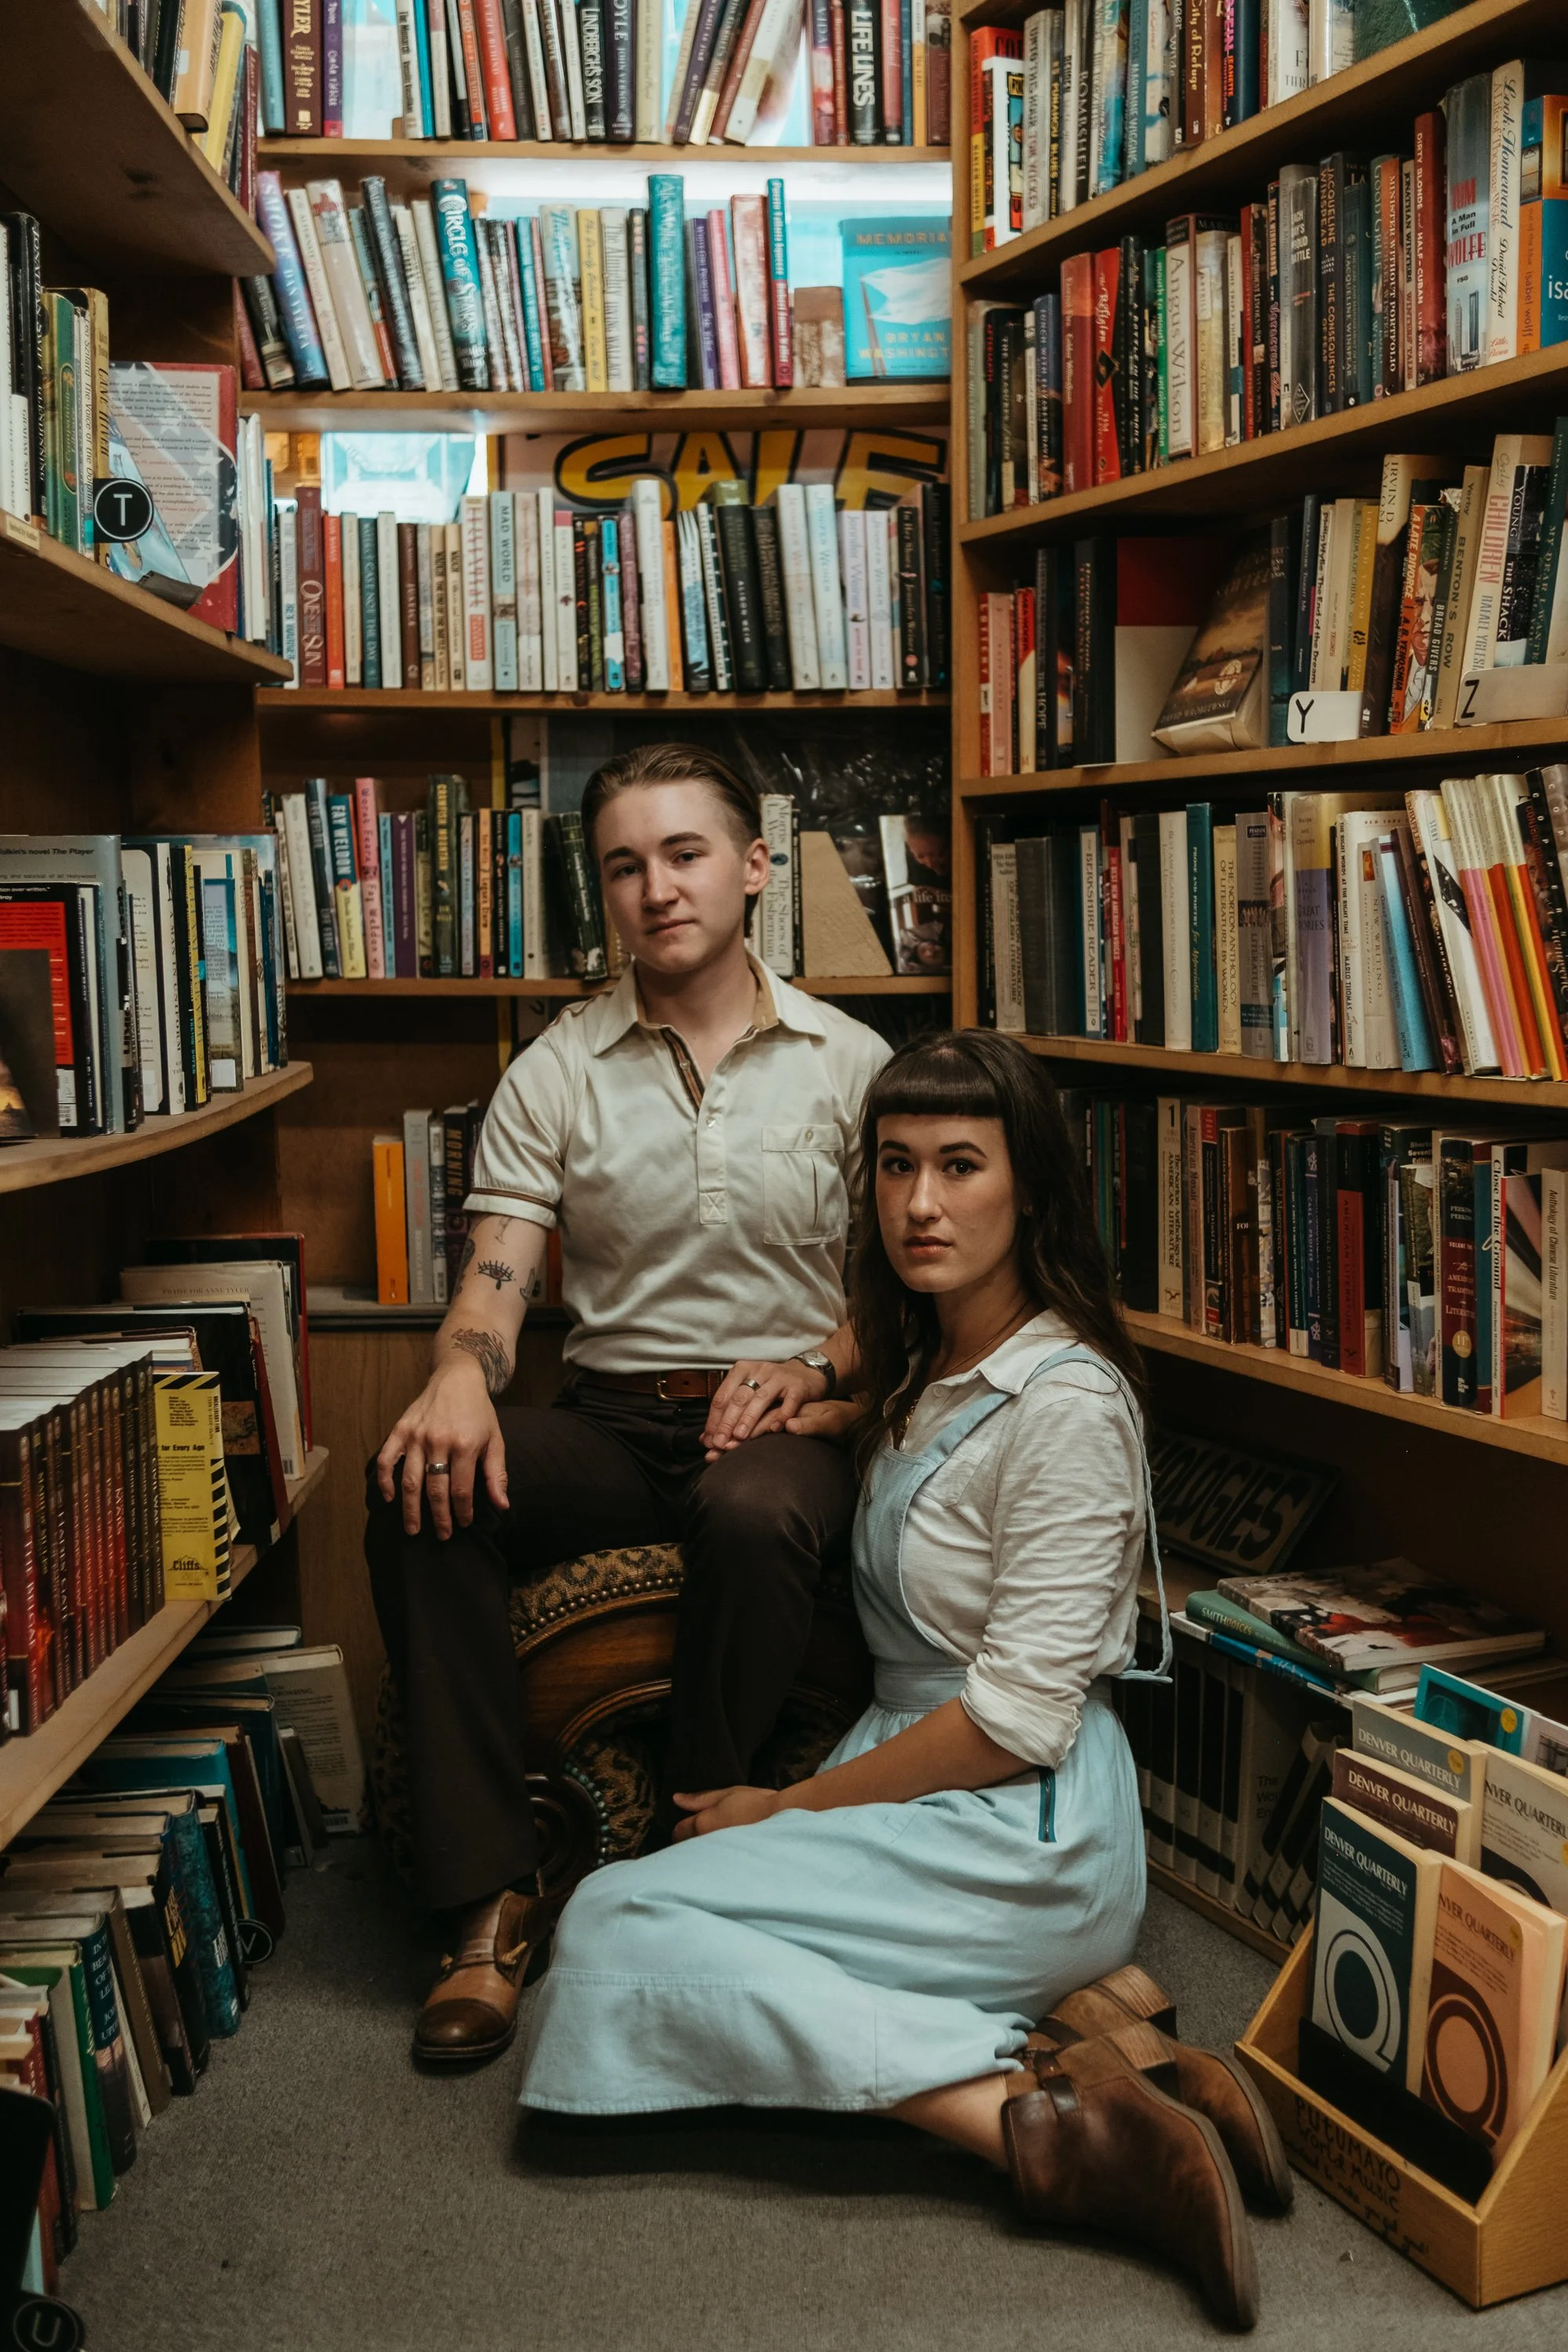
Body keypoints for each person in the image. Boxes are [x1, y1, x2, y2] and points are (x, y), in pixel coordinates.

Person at [518, 1032, 1287, 2328]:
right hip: (912, 1783)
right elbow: (888, 1383)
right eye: (895, 1166)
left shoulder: (1069, 1406)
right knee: (639, 1921)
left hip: (1020, 1823)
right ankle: (1114, 2059)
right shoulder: (934, 1358)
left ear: (1029, 1188)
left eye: (961, 1166)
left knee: (607, 1928)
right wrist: (823, 1398)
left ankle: (1047, 2134)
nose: (921, 1203)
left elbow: (1012, 1720)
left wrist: (783, 1812)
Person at [365, 743, 889, 2068]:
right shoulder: (559, 1068)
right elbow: (496, 1276)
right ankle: (489, 1898)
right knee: (419, 1492)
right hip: (607, 1417)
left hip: (779, 1424)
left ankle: (687, 1853)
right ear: (604, 891)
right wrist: (453, 1379)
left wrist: (823, 1373)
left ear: (754, 866)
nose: (657, 888)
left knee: (756, 1514)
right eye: (625, 865)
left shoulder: (851, 1061)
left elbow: (901, 1287)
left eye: (687, 853)